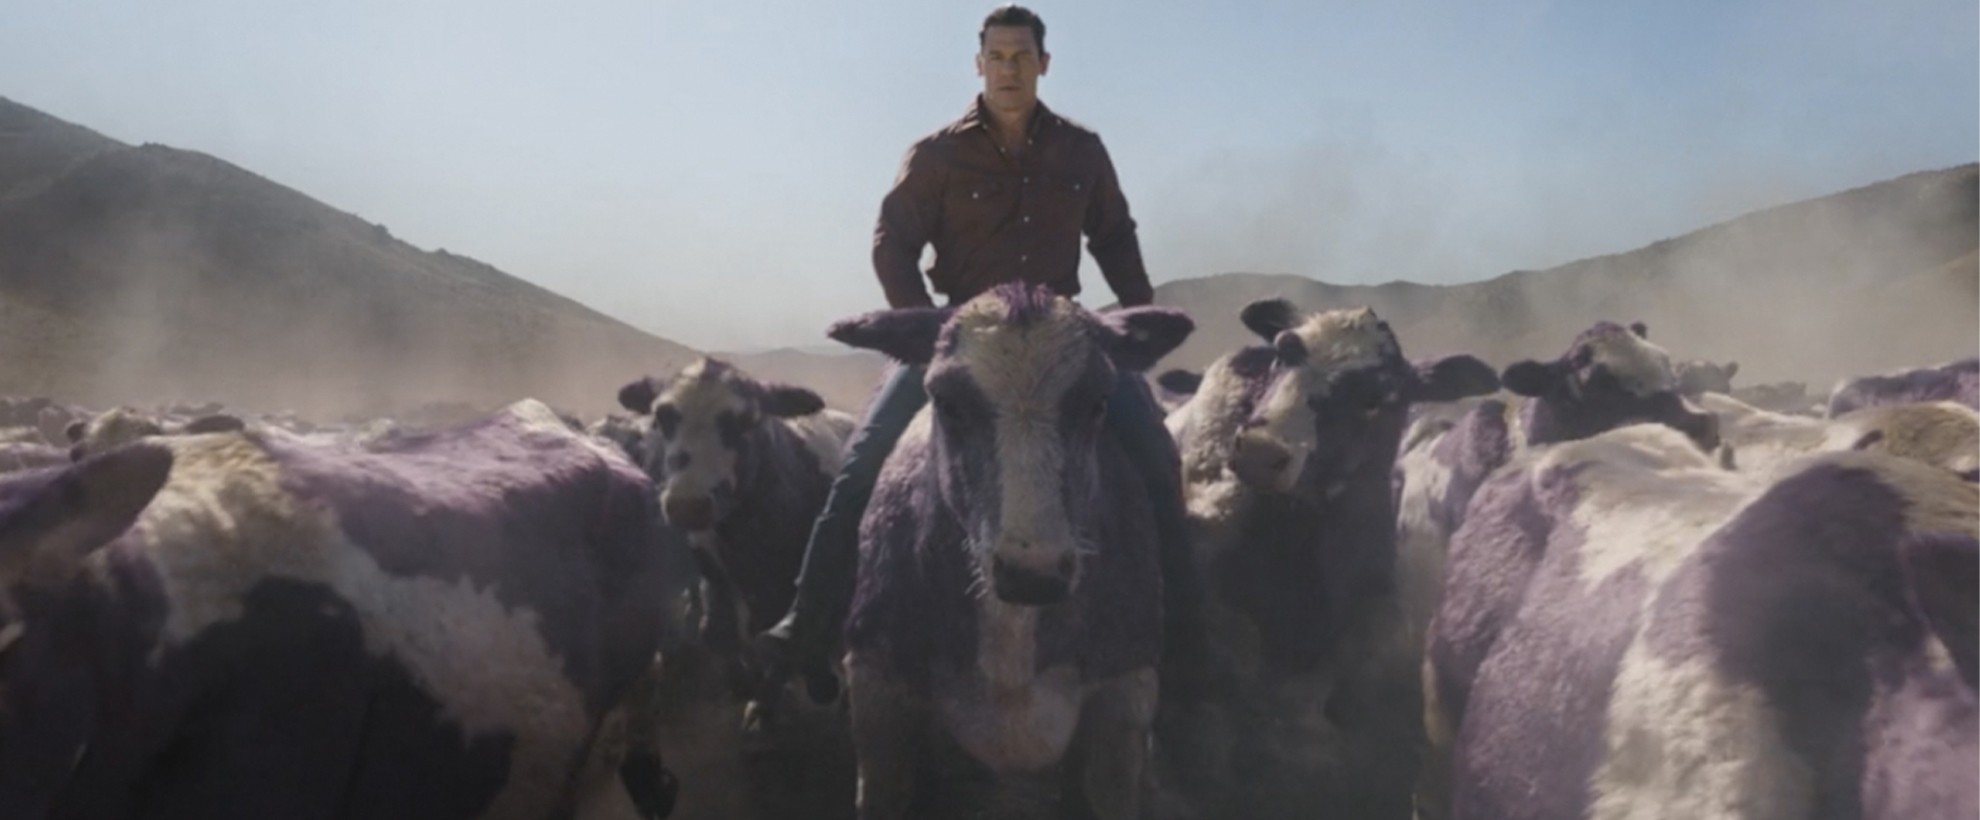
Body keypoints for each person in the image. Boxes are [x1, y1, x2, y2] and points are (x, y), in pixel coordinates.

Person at [755, 4, 1204, 698]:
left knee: (1153, 459)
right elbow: (892, 241)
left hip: (1057, 343)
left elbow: (1113, 236)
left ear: (1044, 65)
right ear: (978, 64)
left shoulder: (1082, 151)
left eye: (1022, 57)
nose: (1009, 70)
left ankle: (1188, 640)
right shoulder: (936, 154)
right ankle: (805, 625)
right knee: (862, 468)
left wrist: (1128, 322)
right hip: (964, 344)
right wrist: (928, 334)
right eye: (996, 56)